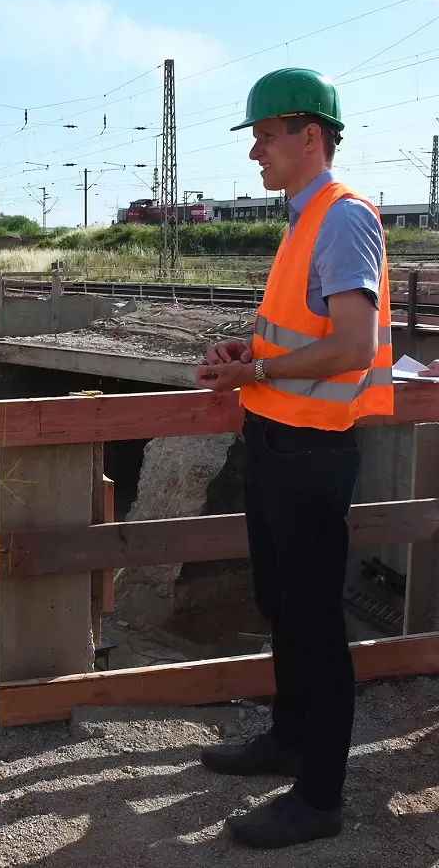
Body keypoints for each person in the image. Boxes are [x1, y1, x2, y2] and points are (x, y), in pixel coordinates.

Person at [193, 68, 392, 849]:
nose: (255, 153)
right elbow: (305, 331)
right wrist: (254, 349)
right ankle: (287, 737)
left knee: (315, 625)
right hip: (276, 441)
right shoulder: (301, 220)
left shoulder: (344, 220)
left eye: (265, 135)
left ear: (312, 136)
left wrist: (258, 370)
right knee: (282, 604)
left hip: (312, 452)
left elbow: (349, 343)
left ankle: (320, 796)